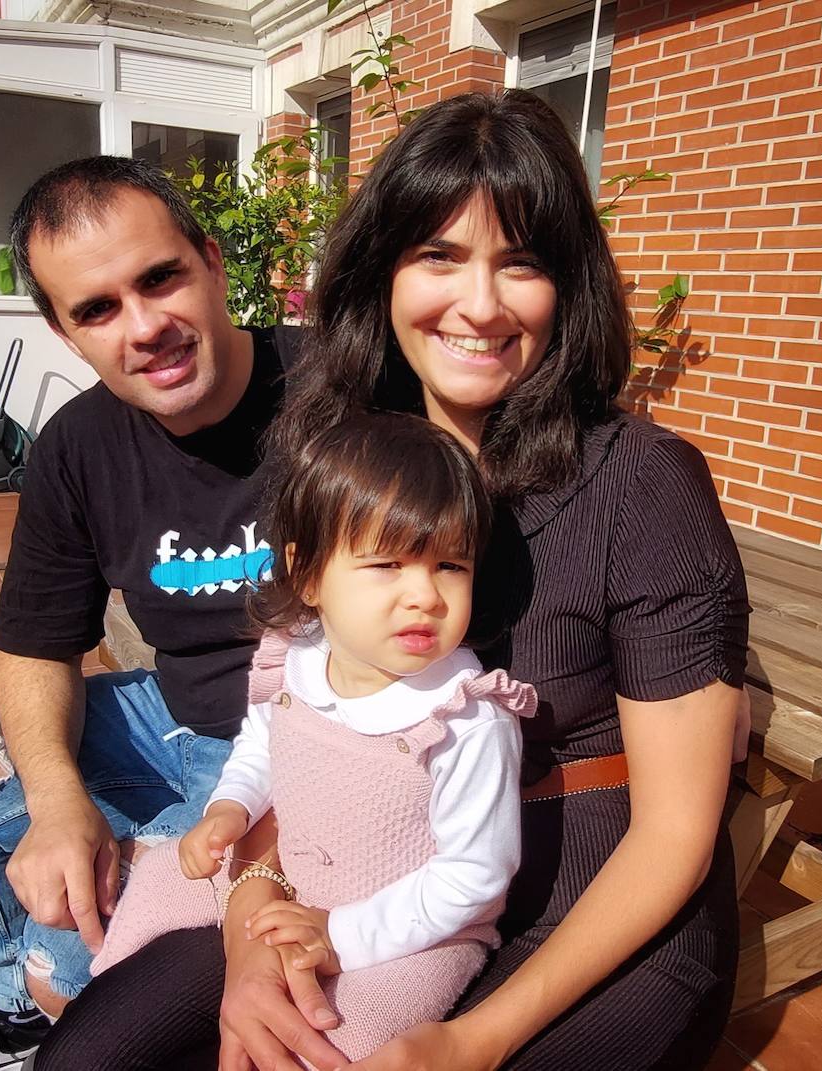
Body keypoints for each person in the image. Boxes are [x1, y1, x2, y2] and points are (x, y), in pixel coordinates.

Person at [41, 89, 751, 1071]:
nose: (481, 303)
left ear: (568, 287)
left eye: (524, 263)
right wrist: (257, 912)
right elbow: (304, 717)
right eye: (439, 256)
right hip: (355, 878)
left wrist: (467, 1042)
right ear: (383, 272)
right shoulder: (340, 455)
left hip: (589, 908)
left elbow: (676, 834)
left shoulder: (640, 486)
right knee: (94, 1055)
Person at [0, 156, 348, 1071]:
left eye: (160, 277)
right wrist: (56, 804)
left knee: (84, 949)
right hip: (175, 715)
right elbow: (33, 645)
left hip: (310, 743)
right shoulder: (79, 444)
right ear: (65, 331)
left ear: (211, 263)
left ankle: (58, 987)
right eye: (96, 309)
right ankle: (19, 1015)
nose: (145, 328)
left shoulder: (337, 390)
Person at [86, 412, 536, 1061]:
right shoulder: (295, 658)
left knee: (326, 1044)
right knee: (153, 885)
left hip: (411, 937)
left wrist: (342, 936)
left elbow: (474, 876)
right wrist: (229, 806)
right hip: (283, 875)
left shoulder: (465, 716)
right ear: (308, 575)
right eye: (386, 563)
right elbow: (263, 741)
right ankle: (102, 988)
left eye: (450, 565)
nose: (425, 595)